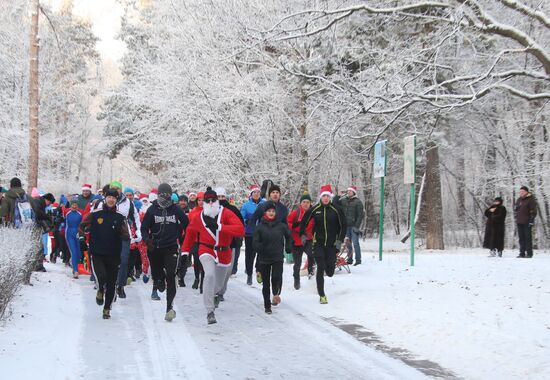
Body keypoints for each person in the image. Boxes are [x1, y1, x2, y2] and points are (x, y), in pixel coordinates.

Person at [181, 187, 244, 324]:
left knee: (219, 285)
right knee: (209, 275)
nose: (210, 202)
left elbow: (240, 230)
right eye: (207, 200)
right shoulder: (199, 217)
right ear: (203, 202)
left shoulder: (226, 213)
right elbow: (190, 233)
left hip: (224, 252)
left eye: (212, 200)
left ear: (217, 201)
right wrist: (185, 252)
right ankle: (210, 311)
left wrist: (220, 227)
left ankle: (212, 294)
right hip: (206, 250)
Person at [141, 183, 189, 321]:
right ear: (158, 195)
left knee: (171, 274)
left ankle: (169, 308)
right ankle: (159, 280)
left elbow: (187, 225)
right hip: (154, 248)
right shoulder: (152, 210)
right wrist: (147, 239)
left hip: (171, 247)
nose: (165, 197)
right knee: (157, 274)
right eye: (162, 194)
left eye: (167, 195)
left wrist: (184, 238)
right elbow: (144, 228)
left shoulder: (176, 209)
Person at [80, 188, 130, 319]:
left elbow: (126, 235)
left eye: (114, 198)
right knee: (102, 277)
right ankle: (100, 289)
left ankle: (107, 308)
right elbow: (83, 225)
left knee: (112, 282)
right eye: (109, 197)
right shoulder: (96, 214)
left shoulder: (120, 217)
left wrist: (125, 240)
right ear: (105, 198)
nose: (111, 200)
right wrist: (82, 237)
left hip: (114, 254)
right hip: (97, 252)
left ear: (116, 200)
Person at [300, 185, 346, 304]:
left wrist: (339, 241)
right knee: (320, 267)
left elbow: (343, 226)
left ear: (330, 197)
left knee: (330, 272)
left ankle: (327, 266)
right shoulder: (315, 209)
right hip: (318, 243)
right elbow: (304, 220)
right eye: (324, 196)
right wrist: (303, 235)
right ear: (321, 197)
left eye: (328, 196)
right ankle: (322, 295)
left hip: (331, 245)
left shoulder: (336, 209)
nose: (325, 198)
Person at [254, 201, 292, 314]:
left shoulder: (281, 225)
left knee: (276, 277)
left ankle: (275, 293)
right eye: (269, 211)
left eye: (273, 211)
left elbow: (289, 236)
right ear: (265, 212)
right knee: (265, 283)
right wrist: (259, 247)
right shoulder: (260, 226)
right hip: (264, 258)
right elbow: (255, 242)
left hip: (277, 257)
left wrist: (288, 247)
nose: (271, 213)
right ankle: (267, 306)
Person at [248, 184, 288, 284]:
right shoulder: (262, 206)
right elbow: (253, 220)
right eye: (273, 192)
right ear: (269, 195)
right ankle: (259, 271)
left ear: (280, 195)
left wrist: (288, 238)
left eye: (277, 193)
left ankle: (276, 291)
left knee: (278, 266)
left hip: (277, 240)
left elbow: (285, 224)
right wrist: (256, 233)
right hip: (264, 236)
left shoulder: (283, 208)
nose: (275, 194)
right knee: (261, 255)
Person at [109, 180, 142, 298]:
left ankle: (120, 285)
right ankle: (110, 284)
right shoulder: (105, 201)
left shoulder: (128, 202)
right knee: (111, 260)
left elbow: (136, 218)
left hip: (124, 234)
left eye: (117, 189)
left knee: (123, 260)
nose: (115, 191)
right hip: (109, 234)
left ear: (120, 190)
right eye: (113, 188)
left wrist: (138, 231)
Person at [214, 187, 244, 300]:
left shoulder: (233, 209)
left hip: (230, 244)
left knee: (228, 270)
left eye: (222, 197)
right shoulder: (211, 210)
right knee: (215, 269)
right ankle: (214, 290)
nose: (221, 199)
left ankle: (221, 291)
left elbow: (240, 226)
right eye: (218, 197)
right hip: (214, 245)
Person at [287, 192, 315, 289]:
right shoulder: (296, 213)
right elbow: (287, 222)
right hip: (296, 241)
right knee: (297, 263)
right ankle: (296, 280)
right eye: (304, 202)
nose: (306, 204)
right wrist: (293, 226)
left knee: (312, 255)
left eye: (308, 202)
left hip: (308, 240)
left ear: (310, 203)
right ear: (300, 204)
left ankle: (311, 274)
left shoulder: (313, 213)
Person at [240, 184, 264, 285]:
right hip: (250, 232)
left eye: (258, 192)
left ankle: (258, 269)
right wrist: (246, 220)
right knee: (250, 254)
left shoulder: (264, 204)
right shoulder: (246, 205)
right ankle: (249, 274)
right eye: (254, 192)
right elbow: (241, 218)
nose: (256, 194)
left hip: (262, 232)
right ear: (251, 194)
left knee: (261, 253)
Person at [339, 186, 364, 266]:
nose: (349, 192)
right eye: (348, 191)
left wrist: (356, 226)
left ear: (354, 192)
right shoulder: (343, 201)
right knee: (348, 244)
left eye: (350, 191)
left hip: (353, 226)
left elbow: (360, 215)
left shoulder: (358, 202)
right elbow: (335, 203)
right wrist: (339, 195)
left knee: (356, 243)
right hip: (346, 226)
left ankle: (358, 260)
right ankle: (350, 259)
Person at [514, 186, 537, 258]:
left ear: (526, 192)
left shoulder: (531, 199)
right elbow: (516, 208)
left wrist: (531, 220)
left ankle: (529, 253)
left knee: (527, 238)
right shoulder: (519, 199)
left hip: (527, 221)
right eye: (520, 192)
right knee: (521, 238)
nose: (521, 193)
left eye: (522, 192)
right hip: (519, 221)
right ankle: (522, 253)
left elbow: (533, 211)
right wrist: (515, 208)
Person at [65, 196, 83, 278]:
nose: (74, 206)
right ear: (70, 205)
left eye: (76, 205)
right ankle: (76, 271)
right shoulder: (67, 213)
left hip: (77, 234)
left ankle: (74, 265)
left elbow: (82, 225)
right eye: (73, 205)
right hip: (69, 234)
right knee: (74, 252)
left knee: (78, 254)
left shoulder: (80, 214)